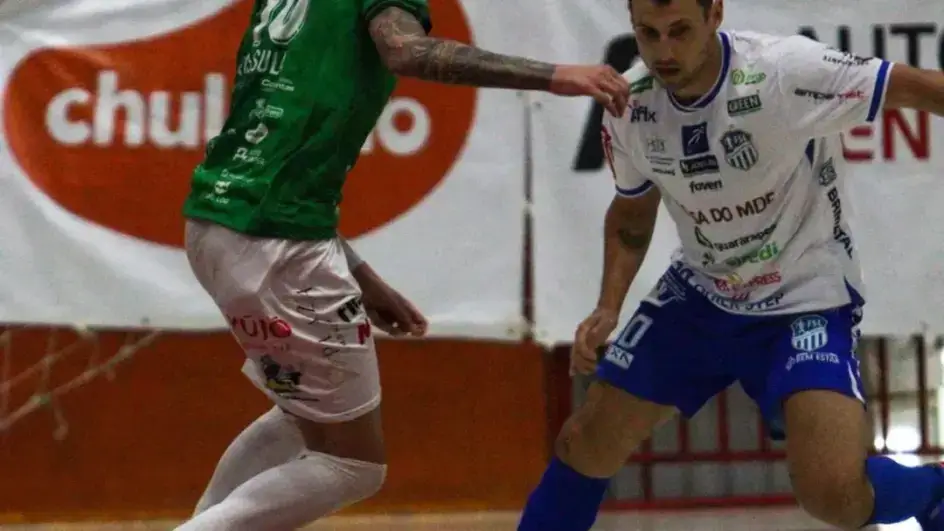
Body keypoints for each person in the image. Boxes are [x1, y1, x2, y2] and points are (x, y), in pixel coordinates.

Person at [174, 1, 630, 530]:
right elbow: (406, 50)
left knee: (304, 415)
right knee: (354, 464)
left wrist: (360, 275)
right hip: (277, 243)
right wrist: (556, 75)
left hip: (217, 224)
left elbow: (282, 144)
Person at [517, 0, 944, 530]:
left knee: (832, 494)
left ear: (715, 13)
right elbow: (631, 213)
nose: (664, 51)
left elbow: (923, 88)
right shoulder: (631, 103)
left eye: (679, 31)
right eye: (648, 34)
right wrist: (608, 306)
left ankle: (935, 495)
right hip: (700, 295)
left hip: (805, 298)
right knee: (584, 442)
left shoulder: (783, 72)